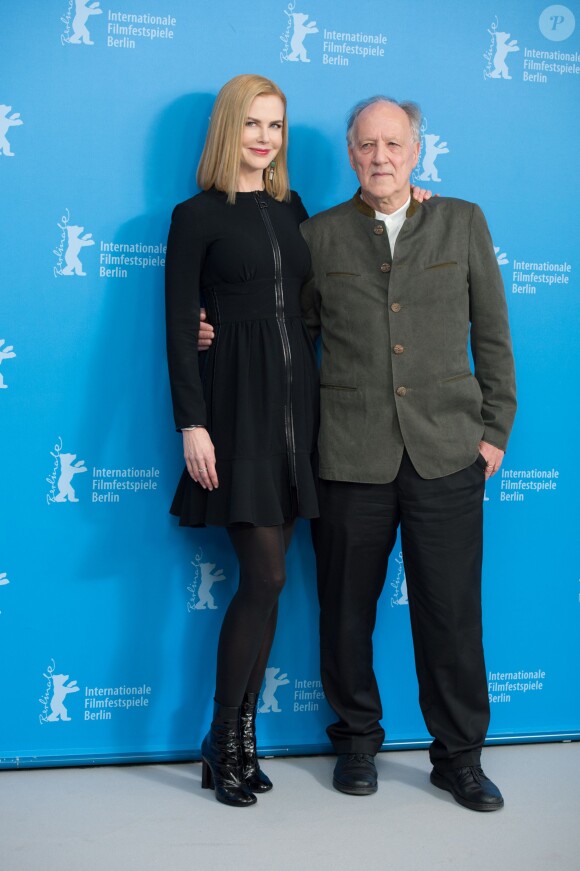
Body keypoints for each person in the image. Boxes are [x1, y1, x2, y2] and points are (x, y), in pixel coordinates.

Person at [299, 96, 516, 811]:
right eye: (366, 145)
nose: (380, 156)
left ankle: (459, 757)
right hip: (349, 453)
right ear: (351, 154)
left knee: (452, 614)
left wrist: (494, 430)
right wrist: (213, 332)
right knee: (345, 610)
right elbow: (293, 340)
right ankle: (356, 741)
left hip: (448, 452)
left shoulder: (462, 221)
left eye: (393, 143)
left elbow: (492, 334)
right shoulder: (319, 235)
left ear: (416, 150)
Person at [165, 74, 319, 807]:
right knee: (267, 578)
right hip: (235, 410)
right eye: (254, 124)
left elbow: (313, 304)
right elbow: (175, 328)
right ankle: (220, 737)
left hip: (297, 412)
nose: (266, 138)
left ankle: (243, 739)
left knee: (275, 579)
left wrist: (410, 208)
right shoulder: (194, 216)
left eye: (278, 126)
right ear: (230, 128)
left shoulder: (293, 208)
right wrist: (191, 421)